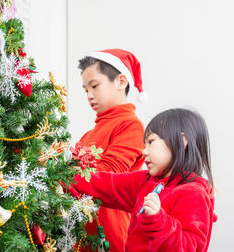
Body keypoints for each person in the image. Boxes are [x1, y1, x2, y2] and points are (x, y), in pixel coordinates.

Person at [72, 108, 217, 252]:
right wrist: (68, 176)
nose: (144, 151)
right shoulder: (147, 181)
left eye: (151, 142)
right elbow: (107, 185)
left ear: (182, 140)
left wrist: (158, 220)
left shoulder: (193, 193)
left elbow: (191, 247)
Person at [70, 49, 146, 251]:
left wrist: (65, 173)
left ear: (121, 82)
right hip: (81, 233)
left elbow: (108, 175)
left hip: (111, 234)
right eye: (86, 90)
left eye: (95, 86)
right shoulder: (88, 135)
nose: (89, 95)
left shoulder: (130, 125)